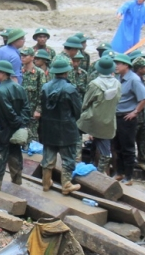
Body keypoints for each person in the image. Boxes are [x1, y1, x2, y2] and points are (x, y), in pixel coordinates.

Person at [38, 56, 83, 195]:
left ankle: (46, 183)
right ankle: (66, 184)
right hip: (66, 129)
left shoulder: (45, 87)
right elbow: (78, 110)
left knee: (48, 156)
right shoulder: (70, 89)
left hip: (48, 128)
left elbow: (42, 108)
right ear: (66, 72)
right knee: (68, 158)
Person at [0, 60, 31, 189]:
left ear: (2, 73)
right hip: (16, 128)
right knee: (15, 152)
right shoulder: (19, 88)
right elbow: (27, 108)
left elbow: (7, 112)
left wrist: (16, 122)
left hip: (3, 128)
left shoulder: (1, 92)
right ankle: (17, 179)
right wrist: (21, 123)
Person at [77, 56, 120, 174]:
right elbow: (117, 101)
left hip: (92, 119)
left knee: (76, 132)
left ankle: (76, 160)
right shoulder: (117, 84)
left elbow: (85, 103)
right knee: (105, 149)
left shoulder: (94, 84)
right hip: (109, 121)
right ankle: (101, 172)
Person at [113, 53, 145, 183]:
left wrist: (135, 112)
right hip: (116, 116)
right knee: (117, 146)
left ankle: (129, 176)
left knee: (128, 147)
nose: (116, 66)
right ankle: (119, 172)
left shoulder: (134, 79)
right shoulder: (118, 78)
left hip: (127, 118)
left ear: (126, 65)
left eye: (119, 64)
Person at [20, 47, 45, 143]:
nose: (22, 58)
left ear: (32, 57)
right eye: (21, 56)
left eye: (25, 56)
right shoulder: (20, 72)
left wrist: (38, 110)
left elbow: (42, 93)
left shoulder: (39, 73)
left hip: (33, 109)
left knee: (32, 135)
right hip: (21, 109)